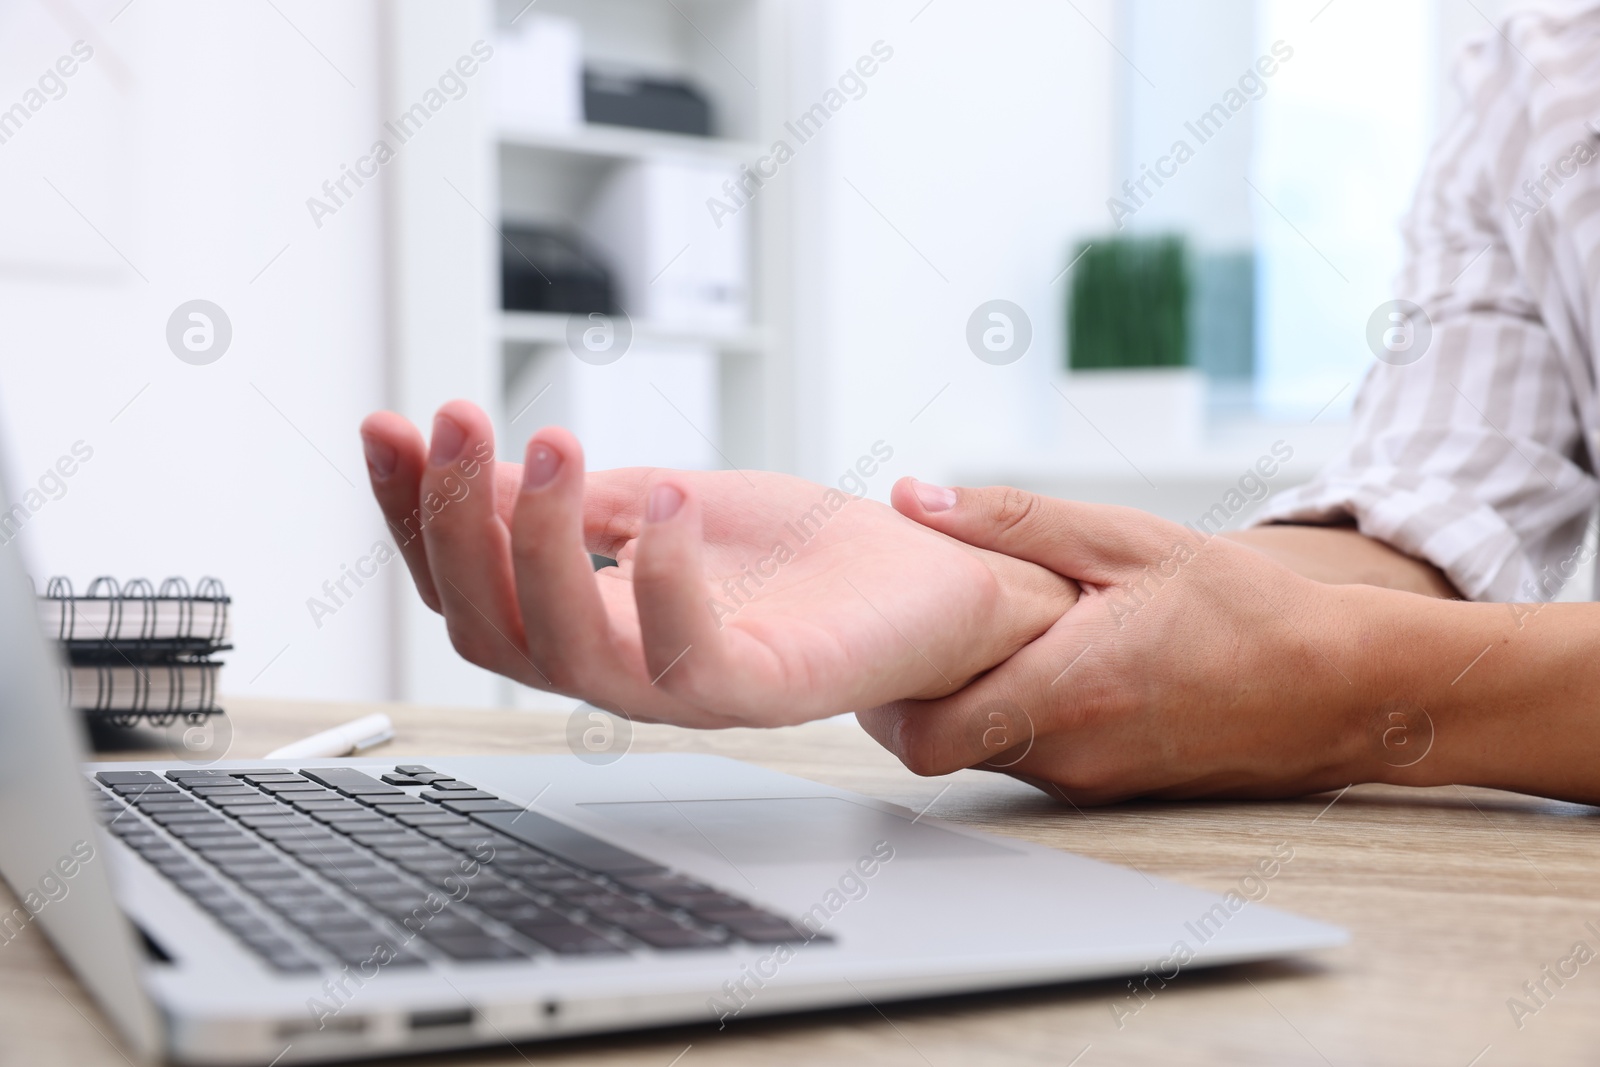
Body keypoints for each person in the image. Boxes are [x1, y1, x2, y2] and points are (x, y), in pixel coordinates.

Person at [359, 6, 1600, 806]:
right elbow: (1431, 528)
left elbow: (1351, 644)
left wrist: (1329, 686)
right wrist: (1010, 598)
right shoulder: (1531, 71)